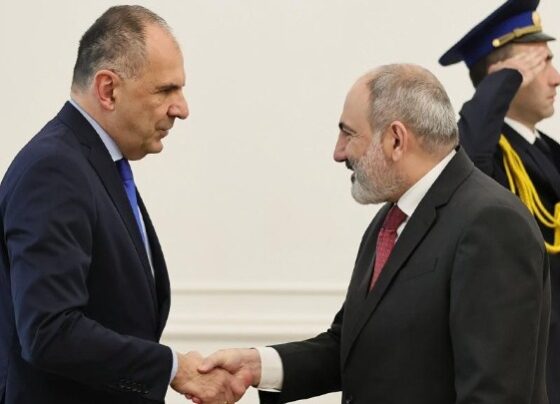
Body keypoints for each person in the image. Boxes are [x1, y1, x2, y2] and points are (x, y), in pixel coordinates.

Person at [197, 64, 550, 404]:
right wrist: (257, 365)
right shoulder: (392, 218)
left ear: (396, 139)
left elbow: (494, 394)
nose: (338, 153)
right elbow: (353, 346)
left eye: (348, 134)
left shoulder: (491, 223)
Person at [0, 6, 245, 404]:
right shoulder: (54, 170)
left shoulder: (92, 164)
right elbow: (49, 331)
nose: (182, 109)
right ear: (108, 90)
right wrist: (173, 368)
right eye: (165, 90)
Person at [439, 0, 560, 401]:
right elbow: (468, 162)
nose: (556, 78)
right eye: (541, 63)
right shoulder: (484, 150)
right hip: (531, 367)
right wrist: (502, 79)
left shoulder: (547, 151)